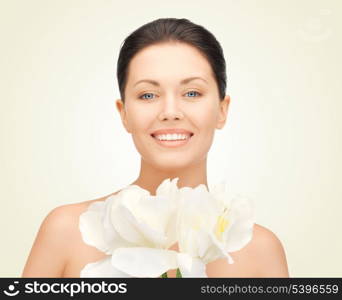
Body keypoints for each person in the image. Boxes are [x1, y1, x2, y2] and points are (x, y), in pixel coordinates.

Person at [22, 18, 289, 277]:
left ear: (222, 110)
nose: (170, 112)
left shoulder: (260, 251)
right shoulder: (67, 231)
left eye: (192, 93)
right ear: (124, 113)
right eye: (148, 95)